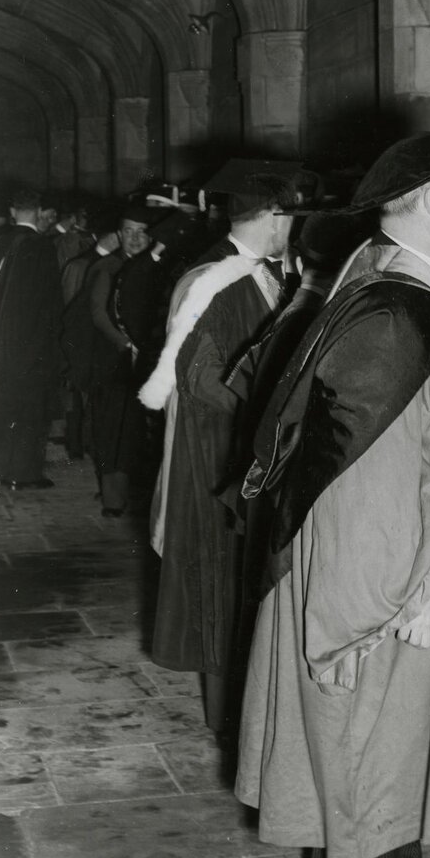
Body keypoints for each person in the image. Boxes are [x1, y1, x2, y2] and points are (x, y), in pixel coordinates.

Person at [235, 132, 430, 858]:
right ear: (429, 198)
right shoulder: (400, 313)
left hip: (367, 551)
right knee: (378, 738)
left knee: (340, 730)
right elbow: (375, 477)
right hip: (380, 564)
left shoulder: (391, 284)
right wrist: (409, 590)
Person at [140, 161, 307, 741]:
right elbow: (201, 378)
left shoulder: (264, 273)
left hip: (251, 456)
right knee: (222, 585)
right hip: (220, 461)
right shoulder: (213, 281)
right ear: (274, 216)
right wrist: (275, 411)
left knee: (245, 586)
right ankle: (229, 722)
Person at [0, 187, 63, 489]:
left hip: (0, 339)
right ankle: (25, 474)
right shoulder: (42, 246)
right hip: (33, 343)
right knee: (31, 411)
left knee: (6, 407)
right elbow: (49, 303)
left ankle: (1, 470)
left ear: (12, 212)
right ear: (39, 213)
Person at [86, 205, 155, 517]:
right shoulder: (108, 267)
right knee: (115, 430)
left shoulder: (153, 267)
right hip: (115, 363)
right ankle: (113, 498)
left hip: (143, 361)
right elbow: (99, 315)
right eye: (128, 231)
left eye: (141, 231)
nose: (135, 238)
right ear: (118, 235)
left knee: (135, 430)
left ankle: (130, 489)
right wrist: (125, 343)